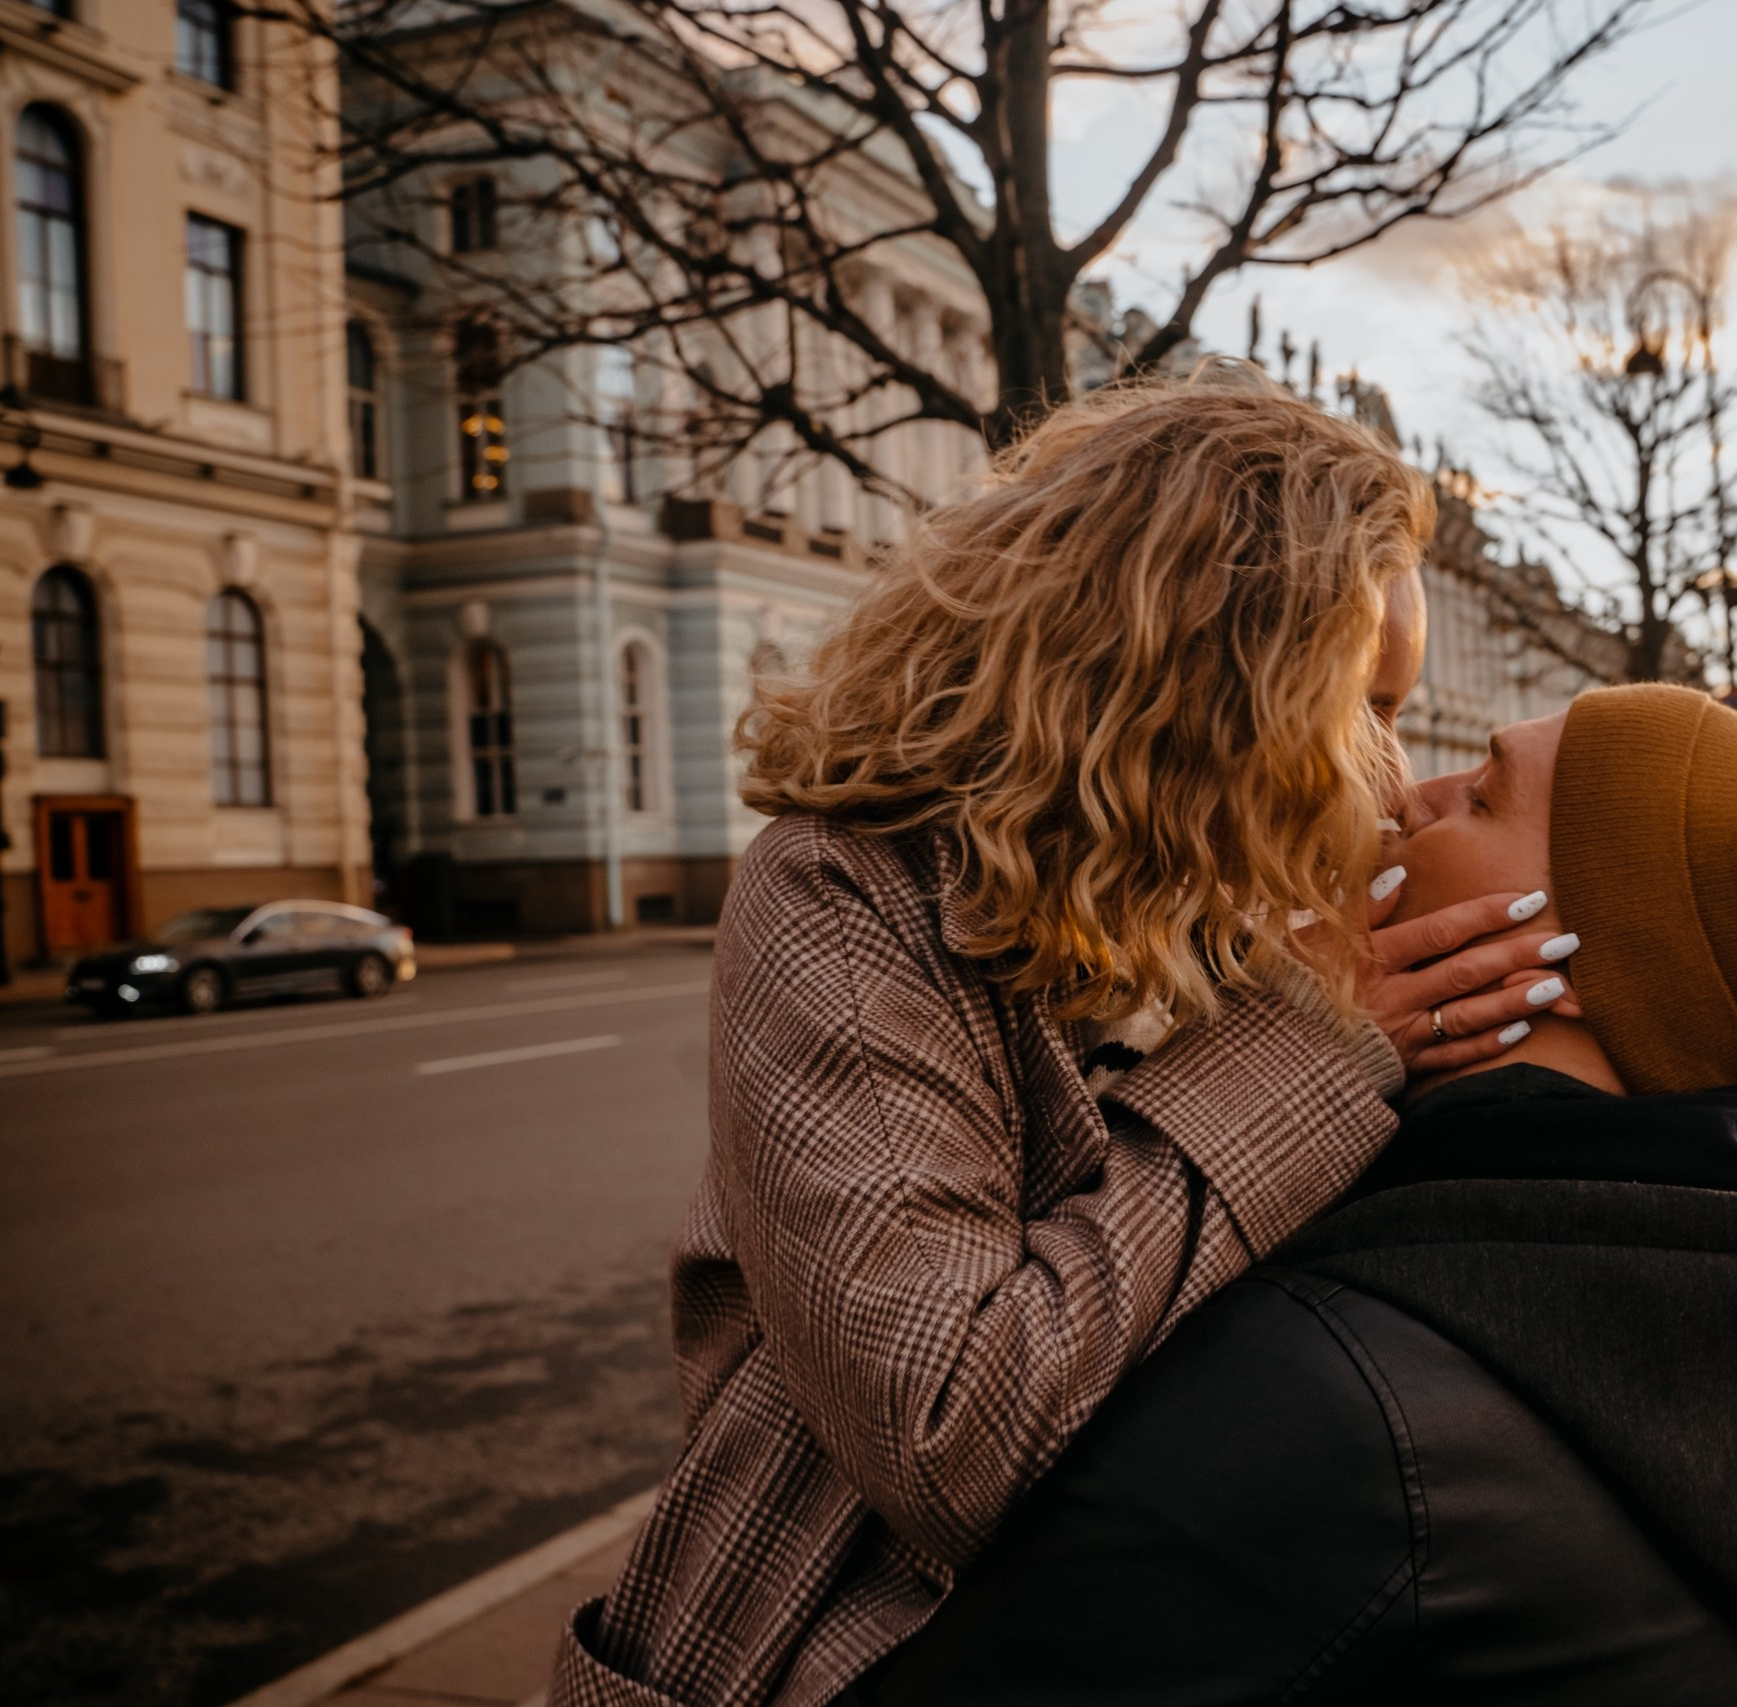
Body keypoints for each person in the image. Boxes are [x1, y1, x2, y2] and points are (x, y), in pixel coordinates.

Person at [552, 369, 1581, 1707]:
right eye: (1362, 707)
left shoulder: (1249, 895)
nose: (1388, 780)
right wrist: (1310, 1059)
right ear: (1204, 684)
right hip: (816, 1652)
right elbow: (945, 1432)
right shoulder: (842, 890)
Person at [855, 685, 1737, 1705]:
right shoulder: (1729, 1277)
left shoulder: (1328, 1392)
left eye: (1484, 796)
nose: (1408, 794)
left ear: (1572, 954)